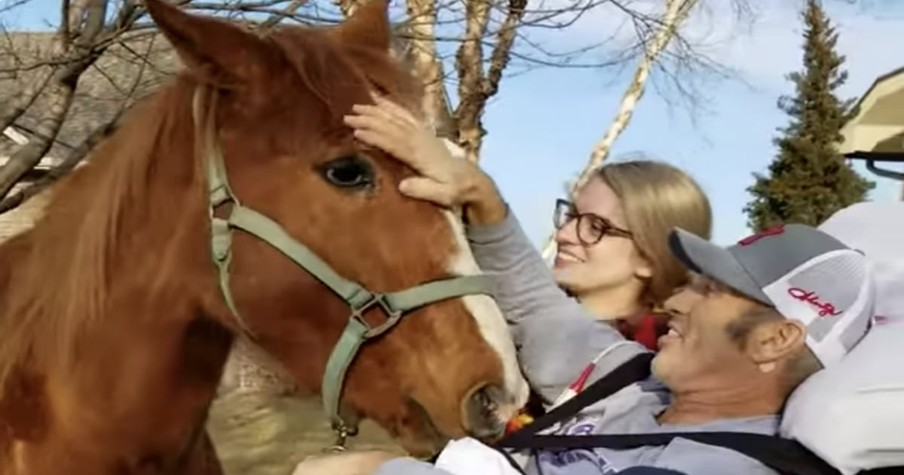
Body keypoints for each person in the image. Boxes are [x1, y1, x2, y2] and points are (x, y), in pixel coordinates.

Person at [301, 95, 875, 475]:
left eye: (708, 290)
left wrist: (378, 471)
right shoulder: (632, 380)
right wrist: (481, 196)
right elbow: (534, 303)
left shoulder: (733, 465)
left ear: (776, 339)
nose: (676, 298)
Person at [551, 160, 712, 352]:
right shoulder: (526, 316)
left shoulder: (654, 363)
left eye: (596, 227)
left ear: (649, 259)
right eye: (571, 216)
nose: (562, 235)